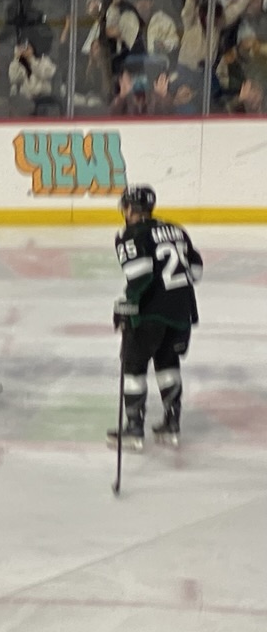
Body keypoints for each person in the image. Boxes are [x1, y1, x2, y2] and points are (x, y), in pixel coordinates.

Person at [109, 185, 201, 450]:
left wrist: (127, 305)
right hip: (182, 311)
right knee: (168, 362)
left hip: (150, 313)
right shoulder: (176, 230)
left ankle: (134, 428)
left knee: (134, 366)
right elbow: (196, 270)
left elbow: (140, 275)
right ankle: (172, 424)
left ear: (128, 208)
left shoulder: (129, 234)